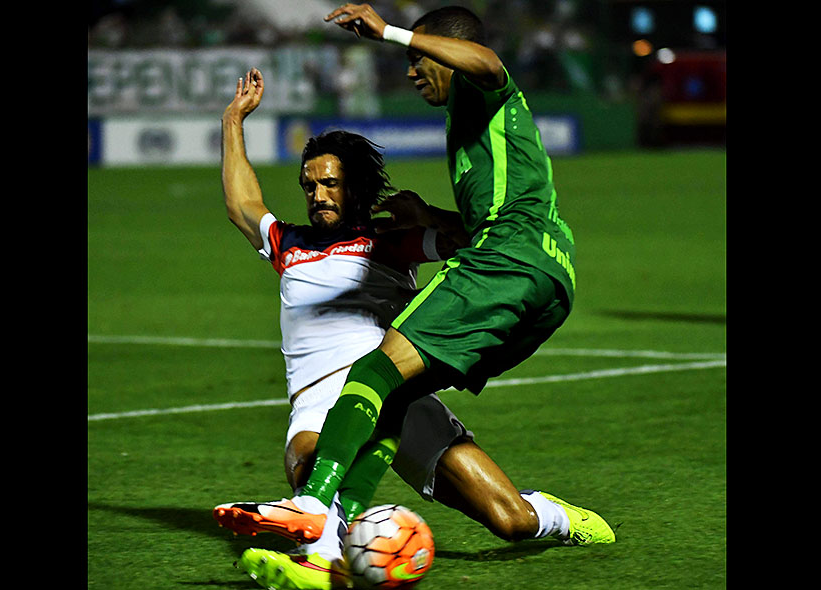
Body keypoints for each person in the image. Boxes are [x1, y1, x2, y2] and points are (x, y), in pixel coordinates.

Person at [214, 68, 607, 590]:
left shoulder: (390, 240)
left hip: (396, 388)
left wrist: (428, 216)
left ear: (354, 187)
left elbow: (479, 241)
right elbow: (242, 204)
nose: (317, 194)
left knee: (509, 519)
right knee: (309, 463)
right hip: (318, 400)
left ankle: (555, 517)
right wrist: (233, 120)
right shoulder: (288, 243)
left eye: (330, 183)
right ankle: (321, 561)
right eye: (309, 185)